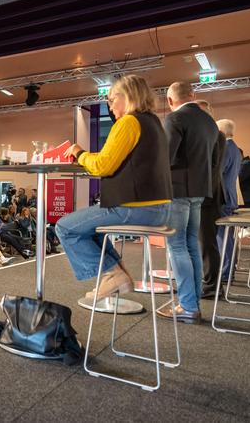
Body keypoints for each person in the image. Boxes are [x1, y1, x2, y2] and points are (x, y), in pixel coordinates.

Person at [56, 75, 172, 301]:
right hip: (160, 209)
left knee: (65, 228)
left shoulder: (128, 122)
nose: (109, 106)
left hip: (135, 207)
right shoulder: (153, 123)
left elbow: (102, 166)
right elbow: (115, 159)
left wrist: (79, 153)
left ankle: (112, 274)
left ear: (128, 96)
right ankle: (118, 274)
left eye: (111, 99)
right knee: (89, 228)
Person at [162, 81, 219, 323]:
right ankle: (192, 302)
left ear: (170, 101)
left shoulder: (174, 119)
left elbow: (166, 157)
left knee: (176, 246)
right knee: (191, 246)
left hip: (178, 190)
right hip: (200, 190)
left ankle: (187, 305)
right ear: (193, 95)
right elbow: (214, 159)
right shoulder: (209, 122)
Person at [192, 100, 226, 299]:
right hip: (205, 196)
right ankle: (207, 284)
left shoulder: (216, 136)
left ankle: (213, 287)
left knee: (207, 244)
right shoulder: (212, 136)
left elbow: (211, 172)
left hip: (208, 197)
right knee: (202, 244)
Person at [215, 119, 242, 282]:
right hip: (230, 196)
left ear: (221, 132)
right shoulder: (236, 149)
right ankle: (229, 269)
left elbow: (218, 171)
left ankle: (226, 272)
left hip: (223, 198)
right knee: (227, 237)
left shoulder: (225, 148)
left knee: (223, 237)